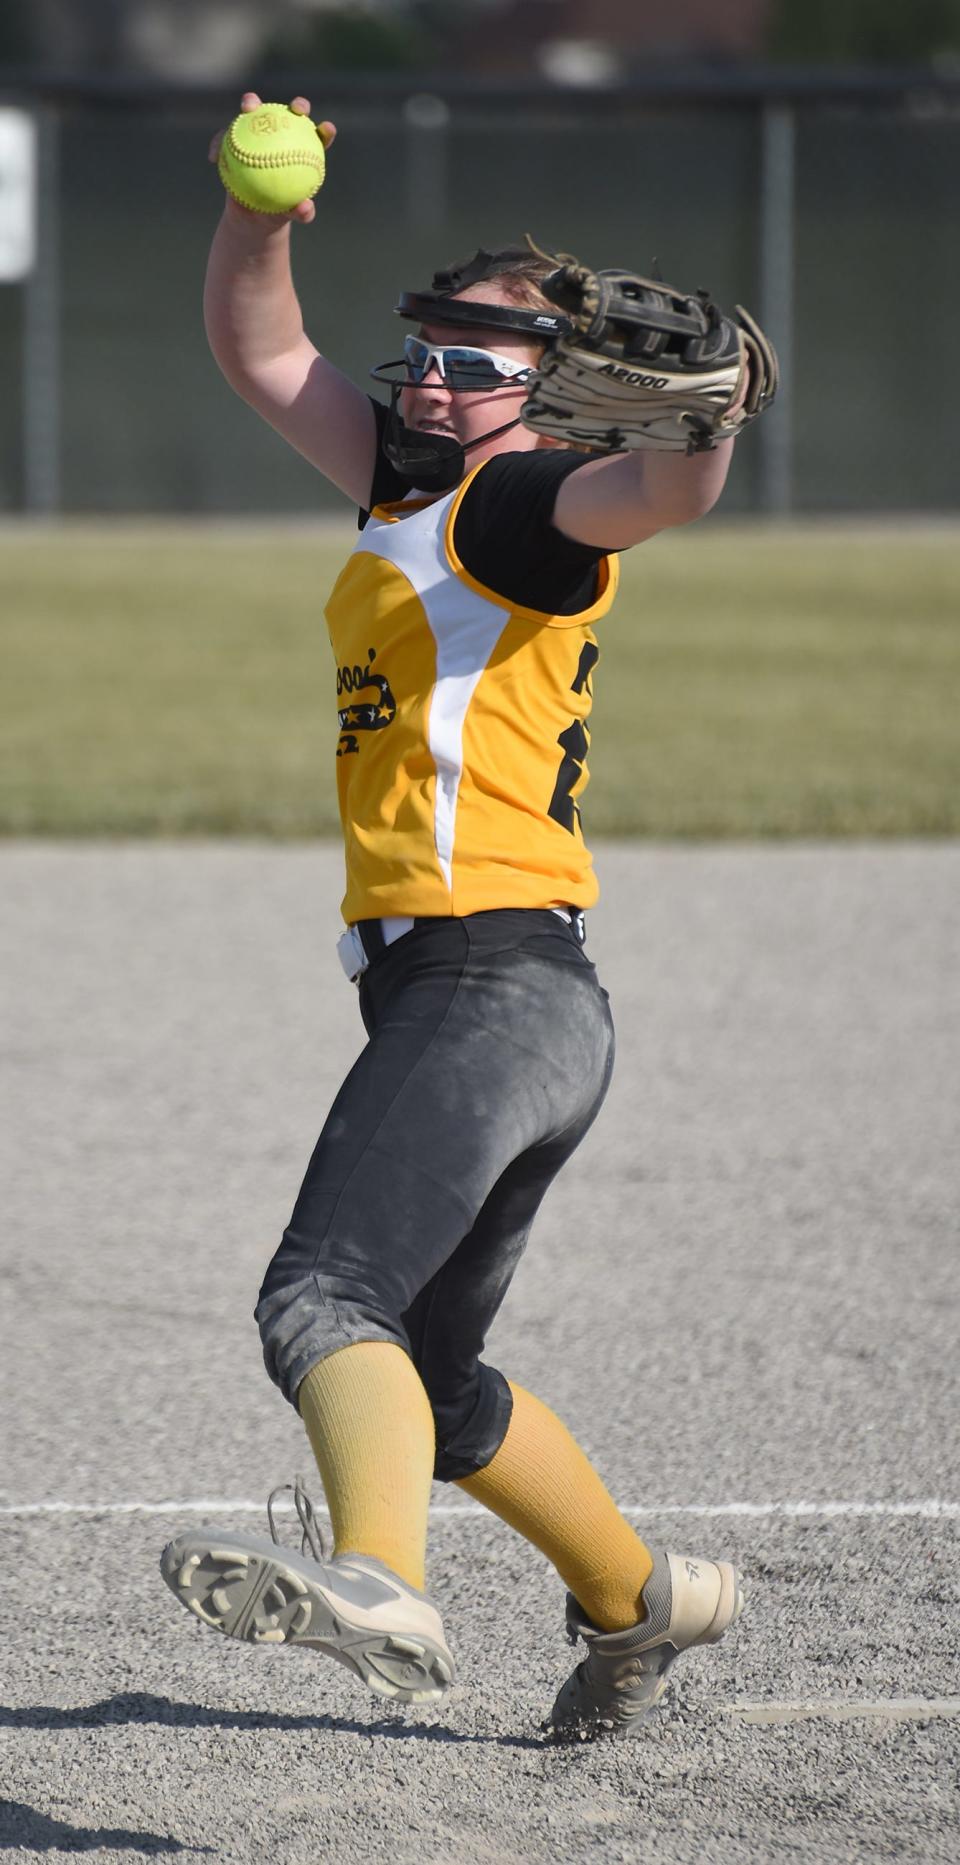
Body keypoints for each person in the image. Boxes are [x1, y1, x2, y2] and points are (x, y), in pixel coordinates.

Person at [161, 92, 746, 1740]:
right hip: (521, 997)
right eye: (428, 344)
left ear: (551, 396)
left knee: (319, 1299)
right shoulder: (411, 489)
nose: (433, 377)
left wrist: (703, 425)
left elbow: (657, 497)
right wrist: (260, 206)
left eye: (483, 359)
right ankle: (646, 1598)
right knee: (432, 1368)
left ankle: (381, 1578)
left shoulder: (518, 508)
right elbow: (260, 350)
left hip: (487, 980)